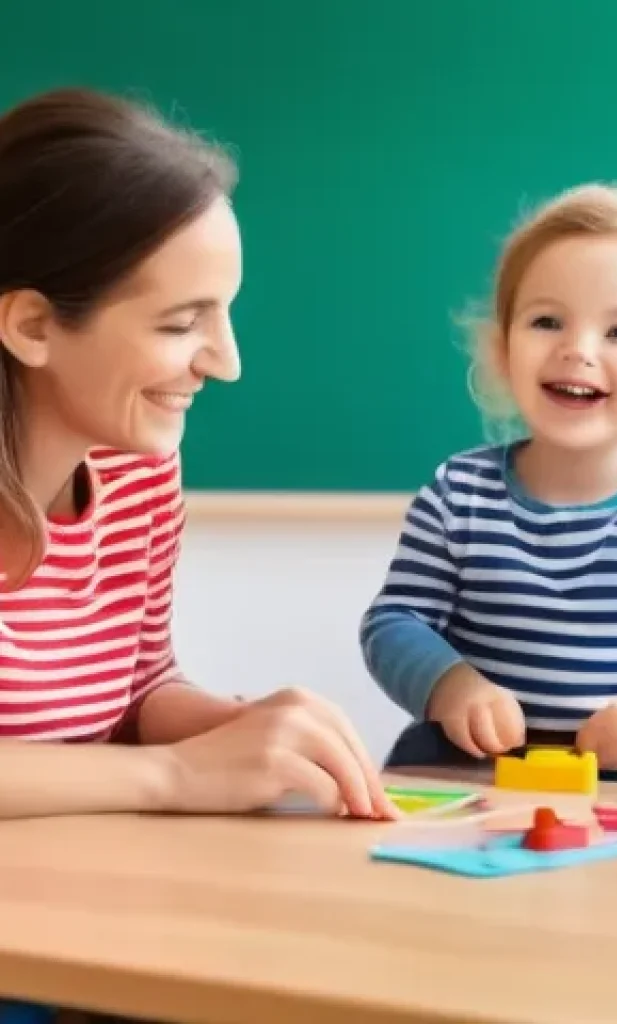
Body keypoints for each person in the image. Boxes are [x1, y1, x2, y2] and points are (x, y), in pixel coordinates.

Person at [0, 87, 395, 824]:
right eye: (183, 323)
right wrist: (174, 775)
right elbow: (156, 764)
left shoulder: (137, 474)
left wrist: (245, 727)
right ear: (32, 325)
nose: (226, 361)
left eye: (224, 313)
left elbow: (138, 694)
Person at [360, 182, 617, 786]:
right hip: (470, 780)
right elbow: (395, 621)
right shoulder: (458, 492)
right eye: (546, 321)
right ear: (503, 350)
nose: (577, 349)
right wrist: (449, 685)